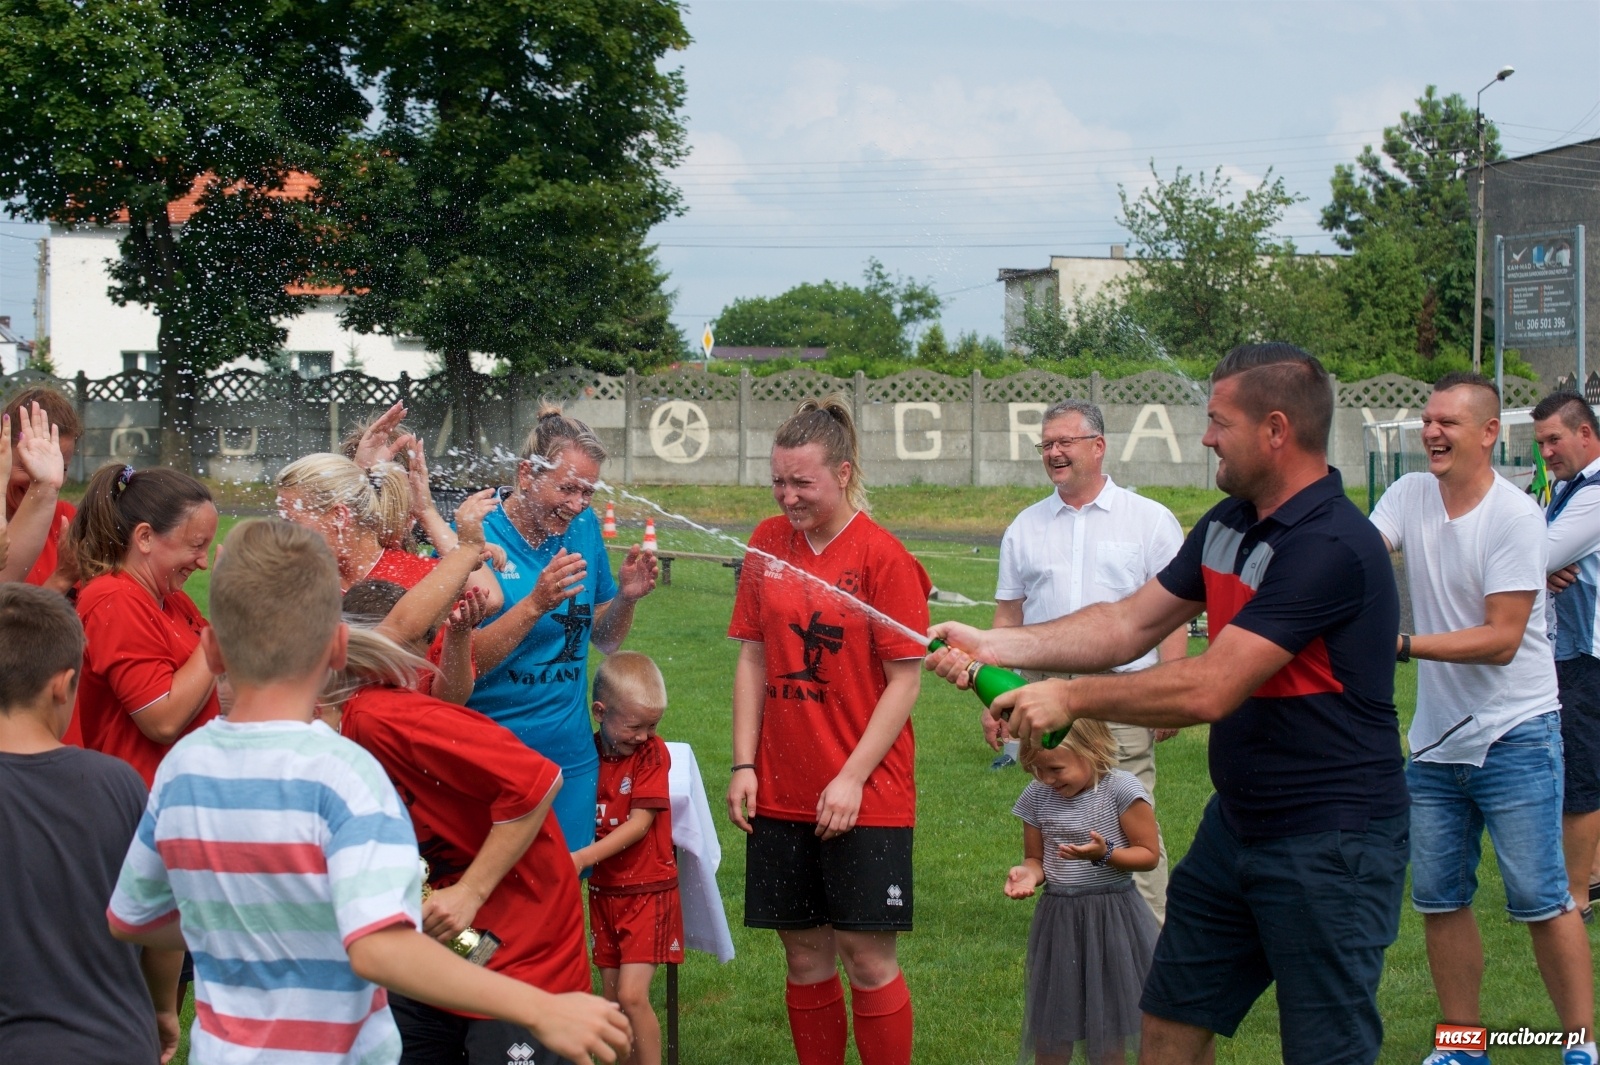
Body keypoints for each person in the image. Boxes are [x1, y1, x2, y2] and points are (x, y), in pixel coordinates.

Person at [926, 344, 1409, 1065]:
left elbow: (1211, 684)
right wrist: (1001, 646)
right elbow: (1127, 622)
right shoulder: (1227, 524)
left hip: (1331, 840)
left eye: (1219, 420)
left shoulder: (1333, 544)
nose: (1206, 436)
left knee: (1324, 1051)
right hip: (1238, 826)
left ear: (1276, 429)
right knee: (1169, 1024)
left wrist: (1068, 694)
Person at [106, 518, 631, 1065]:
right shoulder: (345, 773)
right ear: (337, 647)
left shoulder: (183, 768)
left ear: (209, 649)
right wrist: (541, 1010)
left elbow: (131, 918)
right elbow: (377, 948)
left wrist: (252, 923)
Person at [1373, 374, 1595, 1065]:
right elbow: (1362, 549)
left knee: (1541, 896)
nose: (1431, 432)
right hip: (1435, 746)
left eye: (1448, 422)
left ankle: (1579, 1043)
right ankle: (1464, 1046)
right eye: (1427, 421)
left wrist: (1403, 643)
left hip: (1517, 732)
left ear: (1490, 432)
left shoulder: (1514, 516)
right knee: (1440, 898)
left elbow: (1502, 637)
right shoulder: (1408, 494)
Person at [727, 396, 929, 1065]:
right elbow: (753, 655)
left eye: (801, 482)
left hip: (866, 791)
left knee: (867, 956)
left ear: (842, 473)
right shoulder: (764, 541)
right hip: (780, 788)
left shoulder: (884, 558)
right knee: (804, 952)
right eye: (778, 481)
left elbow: (905, 680)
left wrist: (850, 776)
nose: (787, 496)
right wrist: (743, 764)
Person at [319, 627, 592, 1065]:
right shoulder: (320, 755)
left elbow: (537, 782)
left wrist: (470, 892)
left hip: (521, 948)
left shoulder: (379, 720)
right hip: (433, 953)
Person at [993, 397, 1186, 923]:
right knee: (1057, 809)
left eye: (1065, 442)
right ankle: (1079, 928)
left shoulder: (1150, 520)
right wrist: (996, 700)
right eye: (1047, 444)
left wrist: (1167, 696)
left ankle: (1150, 934)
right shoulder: (1025, 527)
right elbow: (1007, 619)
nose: (1054, 453)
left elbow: (1173, 613)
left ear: (1098, 447)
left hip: (1123, 694)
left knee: (1130, 814)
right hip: (1043, 692)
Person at [0, 583, 183, 1064]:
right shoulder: (116, 784)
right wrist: (163, 1009)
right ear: (62, 685)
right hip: (112, 1041)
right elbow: (160, 918)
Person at [469, 406, 657, 853]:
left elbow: (604, 639)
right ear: (527, 475)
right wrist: (535, 604)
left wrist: (627, 598)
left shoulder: (584, 526)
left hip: (569, 760)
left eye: (588, 491)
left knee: (562, 903)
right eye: (567, 488)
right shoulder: (477, 529)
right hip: (489, 758)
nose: (577, 504)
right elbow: (463, 662)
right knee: (486, 907)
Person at [1003, 719, 1159, 1065]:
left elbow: (1148, 855)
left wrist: (1105, 855)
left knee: (1107, 1030)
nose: (1047, 779)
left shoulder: (1121, 790)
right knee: (1053, 1026)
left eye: (1055, 769)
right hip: (1059, 918)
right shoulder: (1037, 796)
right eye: (1037, 770)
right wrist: (1027, 874)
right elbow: (1035, 858)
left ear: (1091, 751)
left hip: (1112, 917)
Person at [68, 463, 220, 786]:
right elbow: (162, 720)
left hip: (173, 798)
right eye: (196, 545)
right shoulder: (114, 600)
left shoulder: (173, 600)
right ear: (146, 537)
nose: (204, 562)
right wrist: (224, 623)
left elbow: (217, 676)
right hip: (137, 806)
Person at [570, 652, 682, 1065]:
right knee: (613, 1000)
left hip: (647, 891)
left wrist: (580, 857)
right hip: (606, 890)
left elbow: (639, 825)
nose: (645, 735)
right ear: (600, 712)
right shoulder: (586, 751)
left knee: (634, 997)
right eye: (635, 726)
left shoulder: (652, 754)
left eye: (652, 725)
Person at [1532, 391, 1600, 919]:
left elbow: (1537, 552)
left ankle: (1578, 894)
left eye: (1555, 439)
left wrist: (1543, 563)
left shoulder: (1595, 492)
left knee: (1580, 772)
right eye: (1541, 443)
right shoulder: (1565, 487)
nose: (1547, 451)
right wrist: (1543, 565)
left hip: (1588, 654)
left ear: (1585, 433)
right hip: (1572, 649)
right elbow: (1540, 550)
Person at [1, 389, 77, 589]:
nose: (50, 477)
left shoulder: (67, 522)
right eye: (27, 464)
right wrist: (61, 580)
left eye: (62, 468)